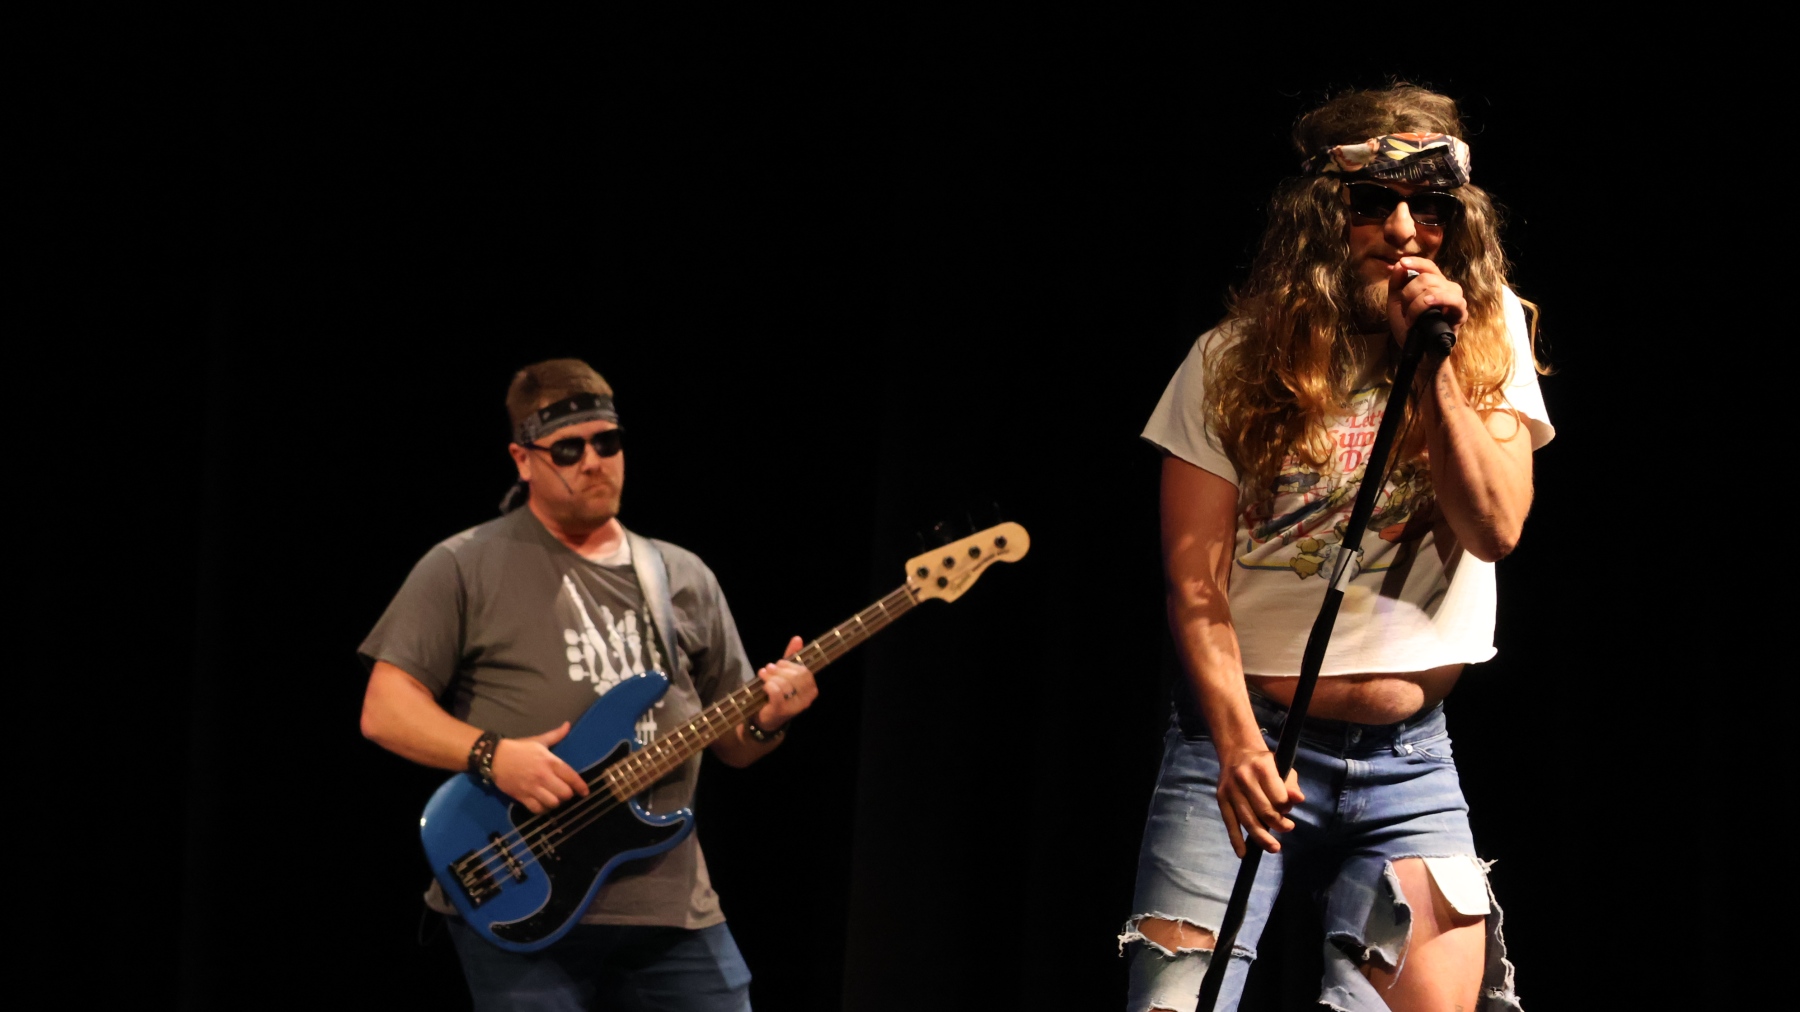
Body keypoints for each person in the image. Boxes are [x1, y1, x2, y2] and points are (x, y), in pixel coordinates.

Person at [1120, 85, 1551, 1012]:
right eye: (1373, 204)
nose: (1403, 232)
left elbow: (1495, 526)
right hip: (1243, 743)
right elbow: (1194, 584)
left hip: (1410, 763)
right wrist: (1237, 745)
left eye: (1428, 207)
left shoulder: (1488, 343)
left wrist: (1433, 363)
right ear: (1322, 217)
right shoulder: (1231, 360)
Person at [358, 358, 816, 1011]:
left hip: (669, 906)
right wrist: (494, 755)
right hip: (522, 886)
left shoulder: (682, 575)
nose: (595, 463)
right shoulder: (463, 564)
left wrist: (771, 720)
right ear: (523, 459)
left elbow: (735, 744)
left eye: (608, 442)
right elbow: (385, 709)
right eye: (569, 450)